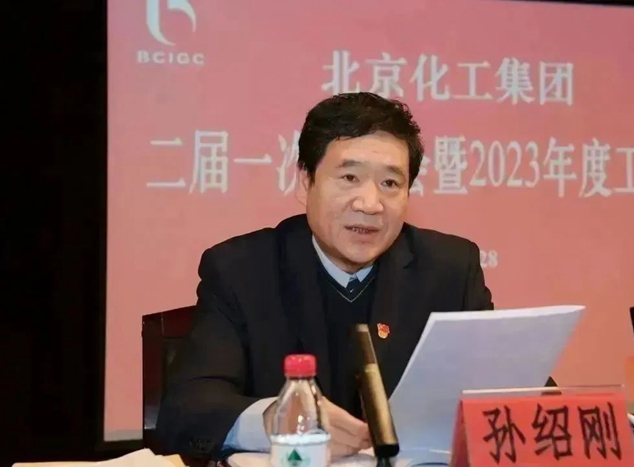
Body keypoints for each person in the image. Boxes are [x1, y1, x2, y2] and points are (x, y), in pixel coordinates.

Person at [155, 92, 495, 461]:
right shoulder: (241, 271)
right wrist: (279, 421)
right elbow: (187, 409)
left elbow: (505, 392)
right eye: (349, 177)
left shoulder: (450, 270)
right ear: (306, 183)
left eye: (390, 184)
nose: (370, 204)